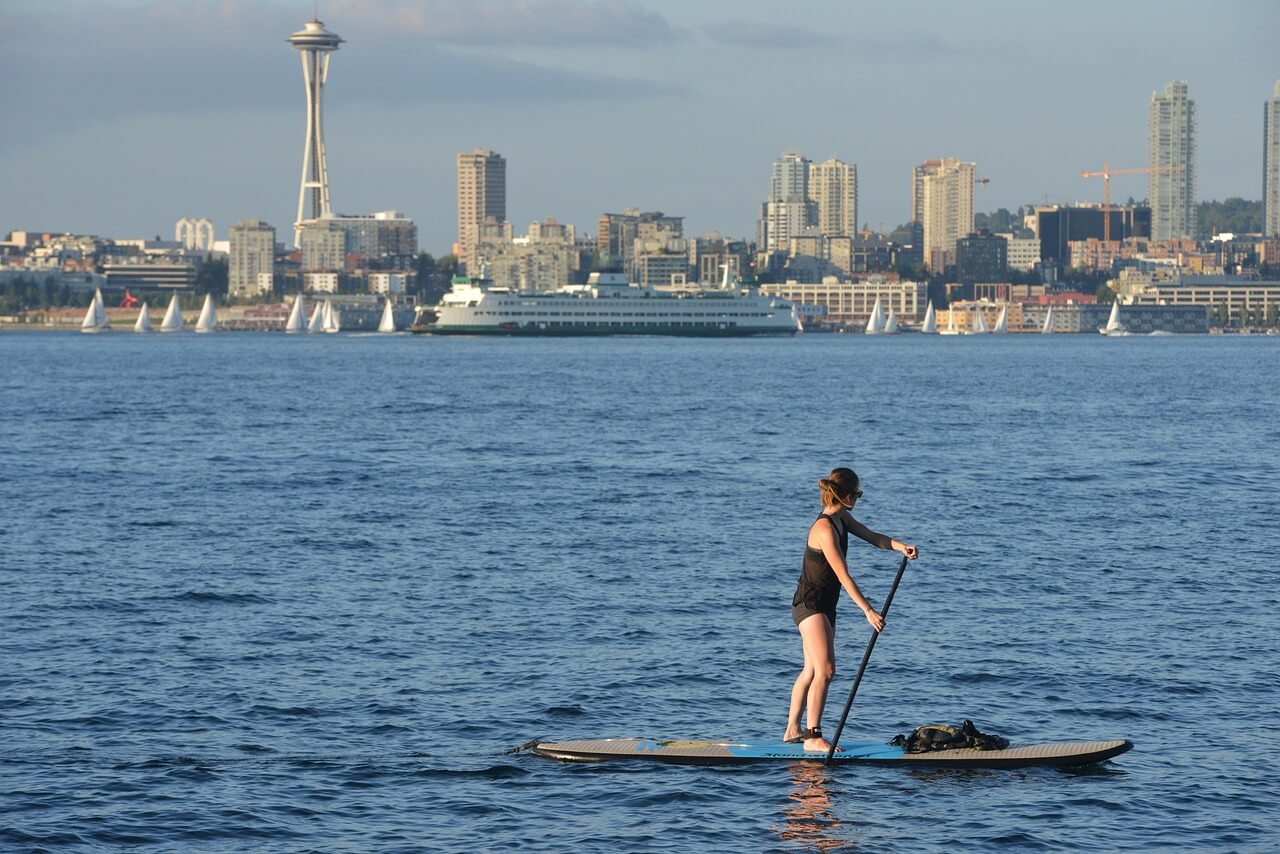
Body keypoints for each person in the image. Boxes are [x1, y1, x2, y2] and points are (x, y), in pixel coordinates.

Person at [784, 467, 918, 753]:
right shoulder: (823, 529)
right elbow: (843, 575)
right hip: (810, 605)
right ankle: (813, 737)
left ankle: (792, 729)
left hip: (824, 605)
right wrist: (868, 610)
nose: (858, 498)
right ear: (845, 496)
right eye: (857, 494)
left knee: (811, 669)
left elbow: (872, 536)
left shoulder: (841, 518)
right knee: (826, 670)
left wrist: (900, 546)